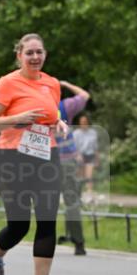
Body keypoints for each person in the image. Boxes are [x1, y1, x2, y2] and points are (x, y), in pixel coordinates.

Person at [0, 32, 68, 275]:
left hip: (46, 156)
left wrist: (60, 123)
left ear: (45, 54)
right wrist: (17, 118)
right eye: (29, 52)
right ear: (19, 55)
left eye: (39, 52)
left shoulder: (52, 84)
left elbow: (52, 114)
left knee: (47, 219)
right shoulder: (7, 83)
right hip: (12, 158)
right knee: (19, 225)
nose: (35, 57)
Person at [57, 81, 90, 255]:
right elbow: (85, 95)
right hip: (66, 161)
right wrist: (66, 83)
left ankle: (46, 240)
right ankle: (78, 242)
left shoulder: (34, 106)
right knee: (72, 203)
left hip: (43, 160)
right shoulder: (65, 106)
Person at [73, 113, 99, 200]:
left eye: (85, 122)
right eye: (81, 122)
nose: (83, 123)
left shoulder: (93, 133)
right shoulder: (76, 133)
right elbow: (73, 147)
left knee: (89, 175)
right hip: (79, 156)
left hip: (90, 155)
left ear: (87, 122)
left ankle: (89, 193)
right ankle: (78, 193)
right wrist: (78, 155)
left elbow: (95, 147)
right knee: (80, 176)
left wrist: (97, 159)